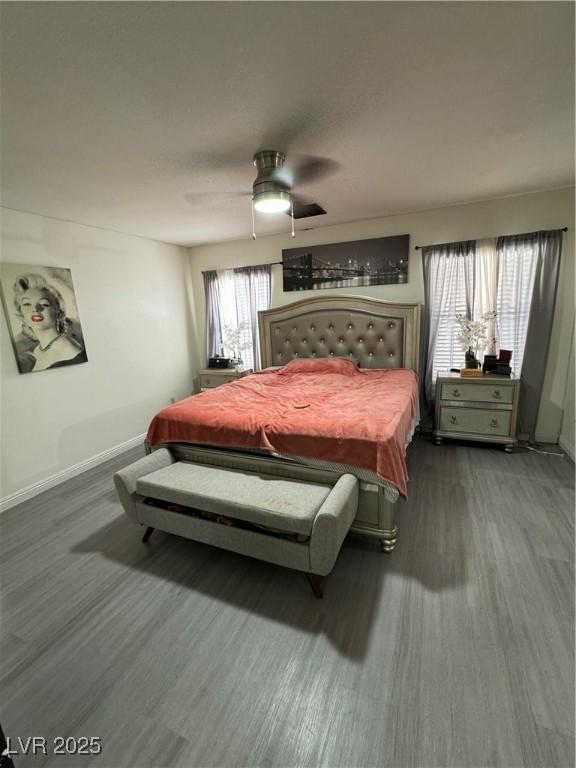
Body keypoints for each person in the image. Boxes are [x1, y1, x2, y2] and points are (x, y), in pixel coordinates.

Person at [12, 273, 87, 373]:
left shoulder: (69, 351)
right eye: (27, 304)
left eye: (44, 304)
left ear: (59, 313)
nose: (35, 309)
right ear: (22, 316)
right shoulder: (36, 351)